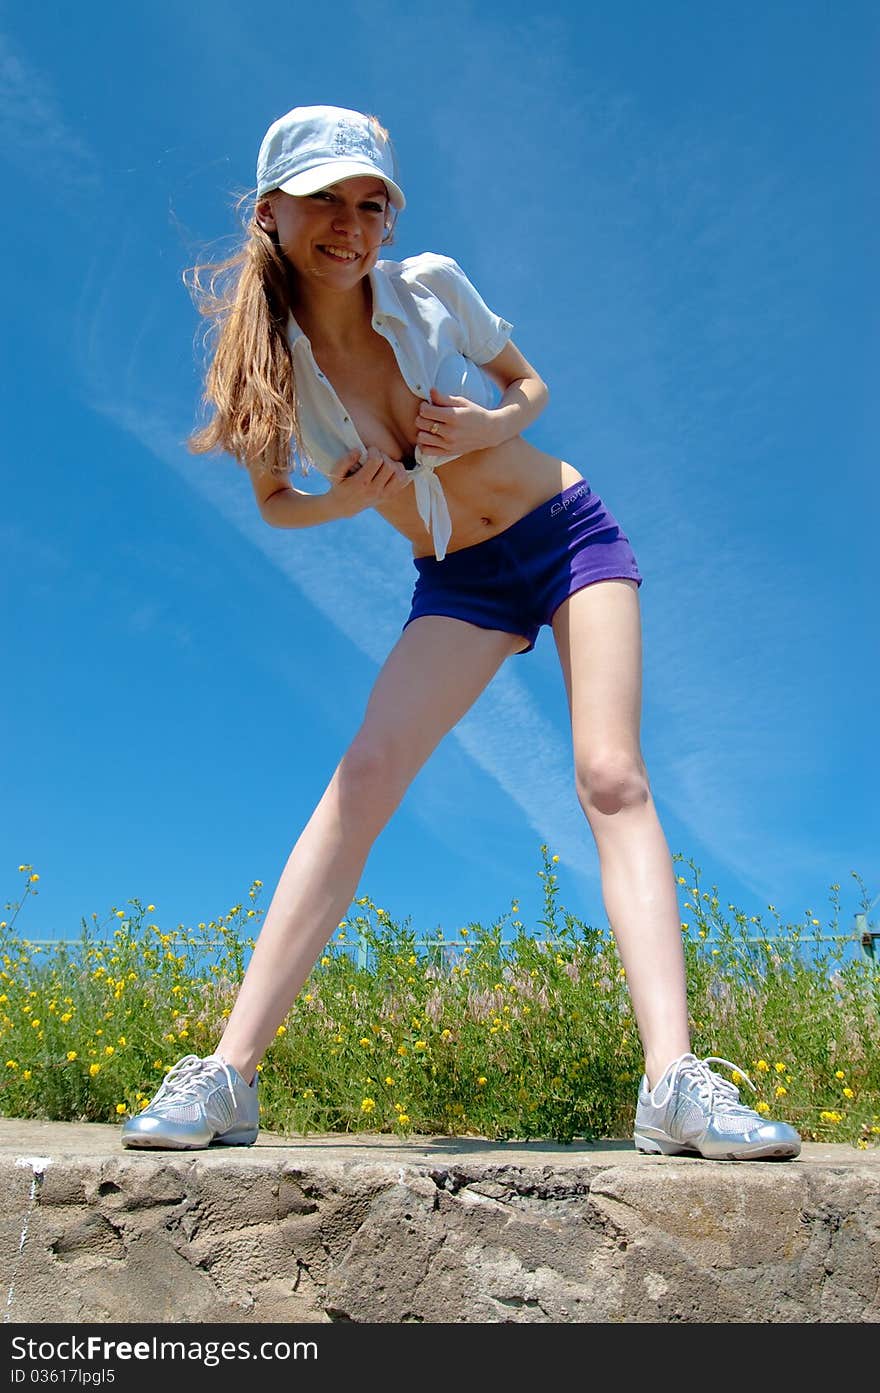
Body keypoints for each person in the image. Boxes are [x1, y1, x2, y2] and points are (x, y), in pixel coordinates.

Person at [122, 104, 800, 1161]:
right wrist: (347, 500)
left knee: (611, 775)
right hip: (461, 577)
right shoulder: (269, 366)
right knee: (367, 773)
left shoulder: (431, 282)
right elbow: (275, 503)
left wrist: (486, 423)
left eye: (370, 203)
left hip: (567, 531)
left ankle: (673, 1082)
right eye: (326, 203)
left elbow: (529, 388)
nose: (351, 226)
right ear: (271, 212)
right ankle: (226, 1077)